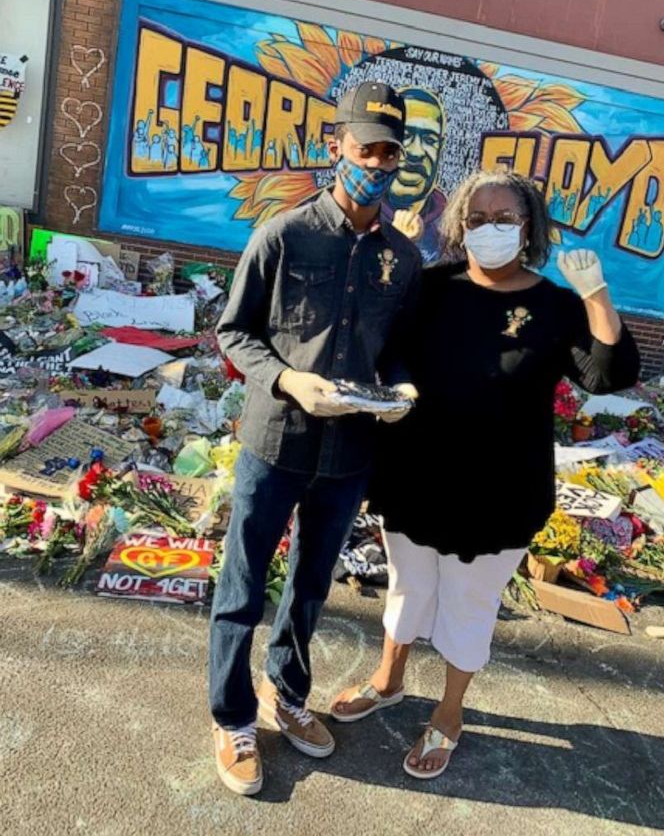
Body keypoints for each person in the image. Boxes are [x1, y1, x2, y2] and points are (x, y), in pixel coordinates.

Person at [331, 167, 640, 780]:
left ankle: (449, 713)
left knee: (469, 606)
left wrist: (596, 295)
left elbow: (609, 374)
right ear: (459, 226)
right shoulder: (435, 285)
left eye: (505, 218)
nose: (490, 229)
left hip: (500, 490)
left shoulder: (554, 306)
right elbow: (387, 347)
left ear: (528, 228)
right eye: (477, 219)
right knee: (407, 587)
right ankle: (388, 680)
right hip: (417, 476)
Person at [210, 81, 422, 796]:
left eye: (390, 152)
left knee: (310, 588)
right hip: (277, 441)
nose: (377, 163)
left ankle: (287, 695)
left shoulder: (403, 257)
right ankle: (233, 716)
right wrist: (286, 380)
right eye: (366, 148)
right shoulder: (285, 234)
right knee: (243, 585)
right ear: (337, 148)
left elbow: (396, 348)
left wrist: (402, 388)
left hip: (349, 453)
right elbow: (234, 330)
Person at [383, 87, 447, 264]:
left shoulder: (454, 228)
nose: (416, 152)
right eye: (405, 135)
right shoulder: (354, 215)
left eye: (429, 140)